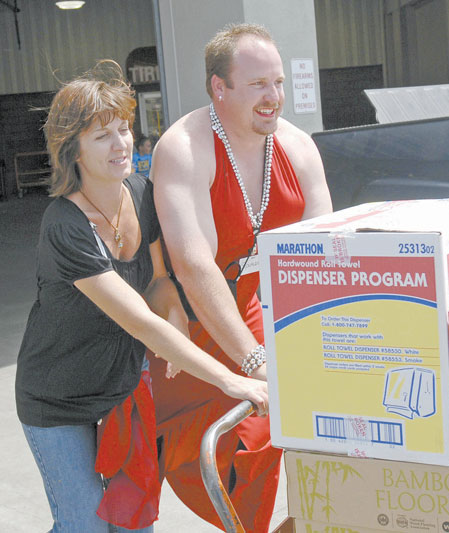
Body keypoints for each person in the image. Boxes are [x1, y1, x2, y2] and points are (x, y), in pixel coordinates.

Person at [14, 60, 268, 533]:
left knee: (133, 523)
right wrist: (231, 380)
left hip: (121, 389)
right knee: (85, 526)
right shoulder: (65, 227)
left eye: (124, 129)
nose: (121, 144)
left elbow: (155, 280)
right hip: (58, 399)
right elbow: (137, 321)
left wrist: (174, 314)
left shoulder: (140, 192)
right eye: (102, 136)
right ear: (73, 152)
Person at [149, 23, 332, 532]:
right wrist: (254, 362)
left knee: (287, 433)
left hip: (254, 309)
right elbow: (193, 266)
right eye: (257, 85)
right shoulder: (184, 147)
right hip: (193, 322)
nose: (273, 97)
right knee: (228, 446)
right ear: (219, 88)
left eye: (278, 83)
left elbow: (324, 255)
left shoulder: (296, 147)